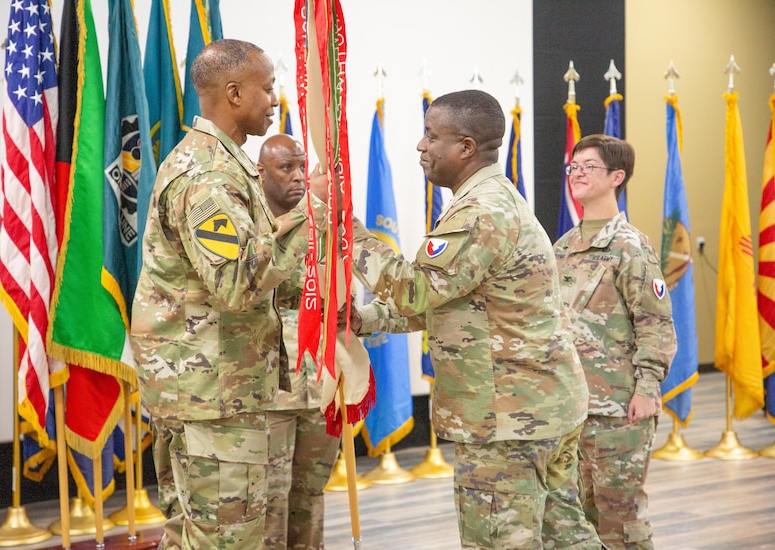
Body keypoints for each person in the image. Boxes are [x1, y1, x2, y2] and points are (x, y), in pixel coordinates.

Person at [348, 89, 601, 549]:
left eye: (431, 135)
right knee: (565, 538)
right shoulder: (493, 200)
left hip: (508, 421)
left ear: (465, 147)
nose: (421, 146)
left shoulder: (479, 212)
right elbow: (454, 305)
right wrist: (364, 318)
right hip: (538, 411)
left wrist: (346, 232)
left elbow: (414, 289)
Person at [130, 39, 328, 549]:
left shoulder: (221, 163)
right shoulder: (208, 176)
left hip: (206, 390)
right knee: (228, 540)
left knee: (194, 537)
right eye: (267, 88)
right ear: (234, 93)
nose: (275, 98)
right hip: (212, 396)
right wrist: (315, 212)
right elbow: (237, 283)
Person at [552, 134, 677, 549]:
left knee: (619, 518)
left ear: (617, 177)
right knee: (580, 519)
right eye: (574, 166)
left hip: (619, 409)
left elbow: (655, 324)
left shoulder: (630, 246)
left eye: (589, 166)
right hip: (572, 406)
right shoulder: (563, 248)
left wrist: (646, 390)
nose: (578, 174)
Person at [257, 134, 340, 549]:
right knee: (269, 502)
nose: (296, 177)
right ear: (261, 172)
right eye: (284, 168)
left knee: (309, 495)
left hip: (320, 384)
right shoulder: (255, 228)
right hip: (272, 389)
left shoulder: (321, 226)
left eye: (299, 167)